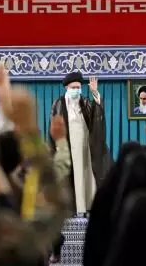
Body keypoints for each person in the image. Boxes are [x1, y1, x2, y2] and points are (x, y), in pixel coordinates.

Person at [50, 71, 111, 214]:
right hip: (68, 147)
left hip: (85, 147)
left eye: (78, 87)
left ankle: (87, 208)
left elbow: (97, 115)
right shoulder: (59, 104)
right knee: (71, 177)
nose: (76, 90)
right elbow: (54, 125)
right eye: (73, 88)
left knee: (86, 176)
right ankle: (72, 209)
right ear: (67, 88)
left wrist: (95, 93)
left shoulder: (85, 102)